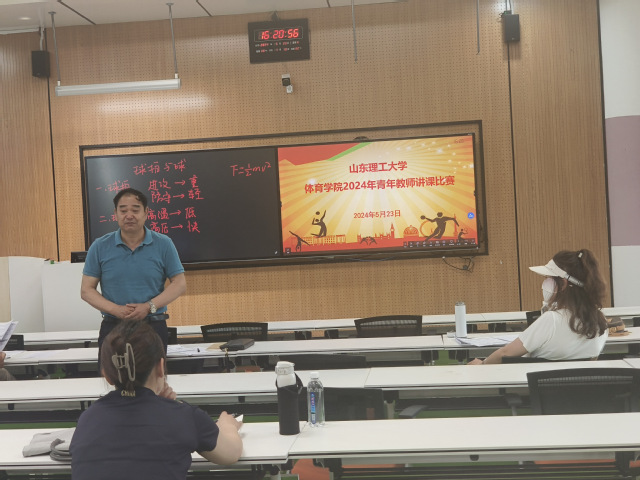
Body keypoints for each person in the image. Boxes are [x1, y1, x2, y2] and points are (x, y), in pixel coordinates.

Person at [70, 320, 243, 479]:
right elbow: (231, 453)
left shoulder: (87, 418)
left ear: (106, 375)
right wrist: (227, 425)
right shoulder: (184, 416)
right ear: (161, 367)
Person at [81, 188, 186, 353]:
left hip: (153, 326)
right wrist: (116, 310)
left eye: (135, 210)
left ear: (146, 213)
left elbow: (179, 284)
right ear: (115, 214)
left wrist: (148, 307)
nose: (129, 215)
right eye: (123, 210)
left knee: (154, 371)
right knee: (112, 370)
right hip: (113, 327)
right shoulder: (99, 246)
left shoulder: (164, 244)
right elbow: (86, 290)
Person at [469, 249, 608, 364]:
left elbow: (505, 353)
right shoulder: (600, 322)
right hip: (577, 390)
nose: (545, 283)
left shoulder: (552, 320)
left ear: (563, 284)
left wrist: (482, 364)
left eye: (548, 278)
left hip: (537, 389)